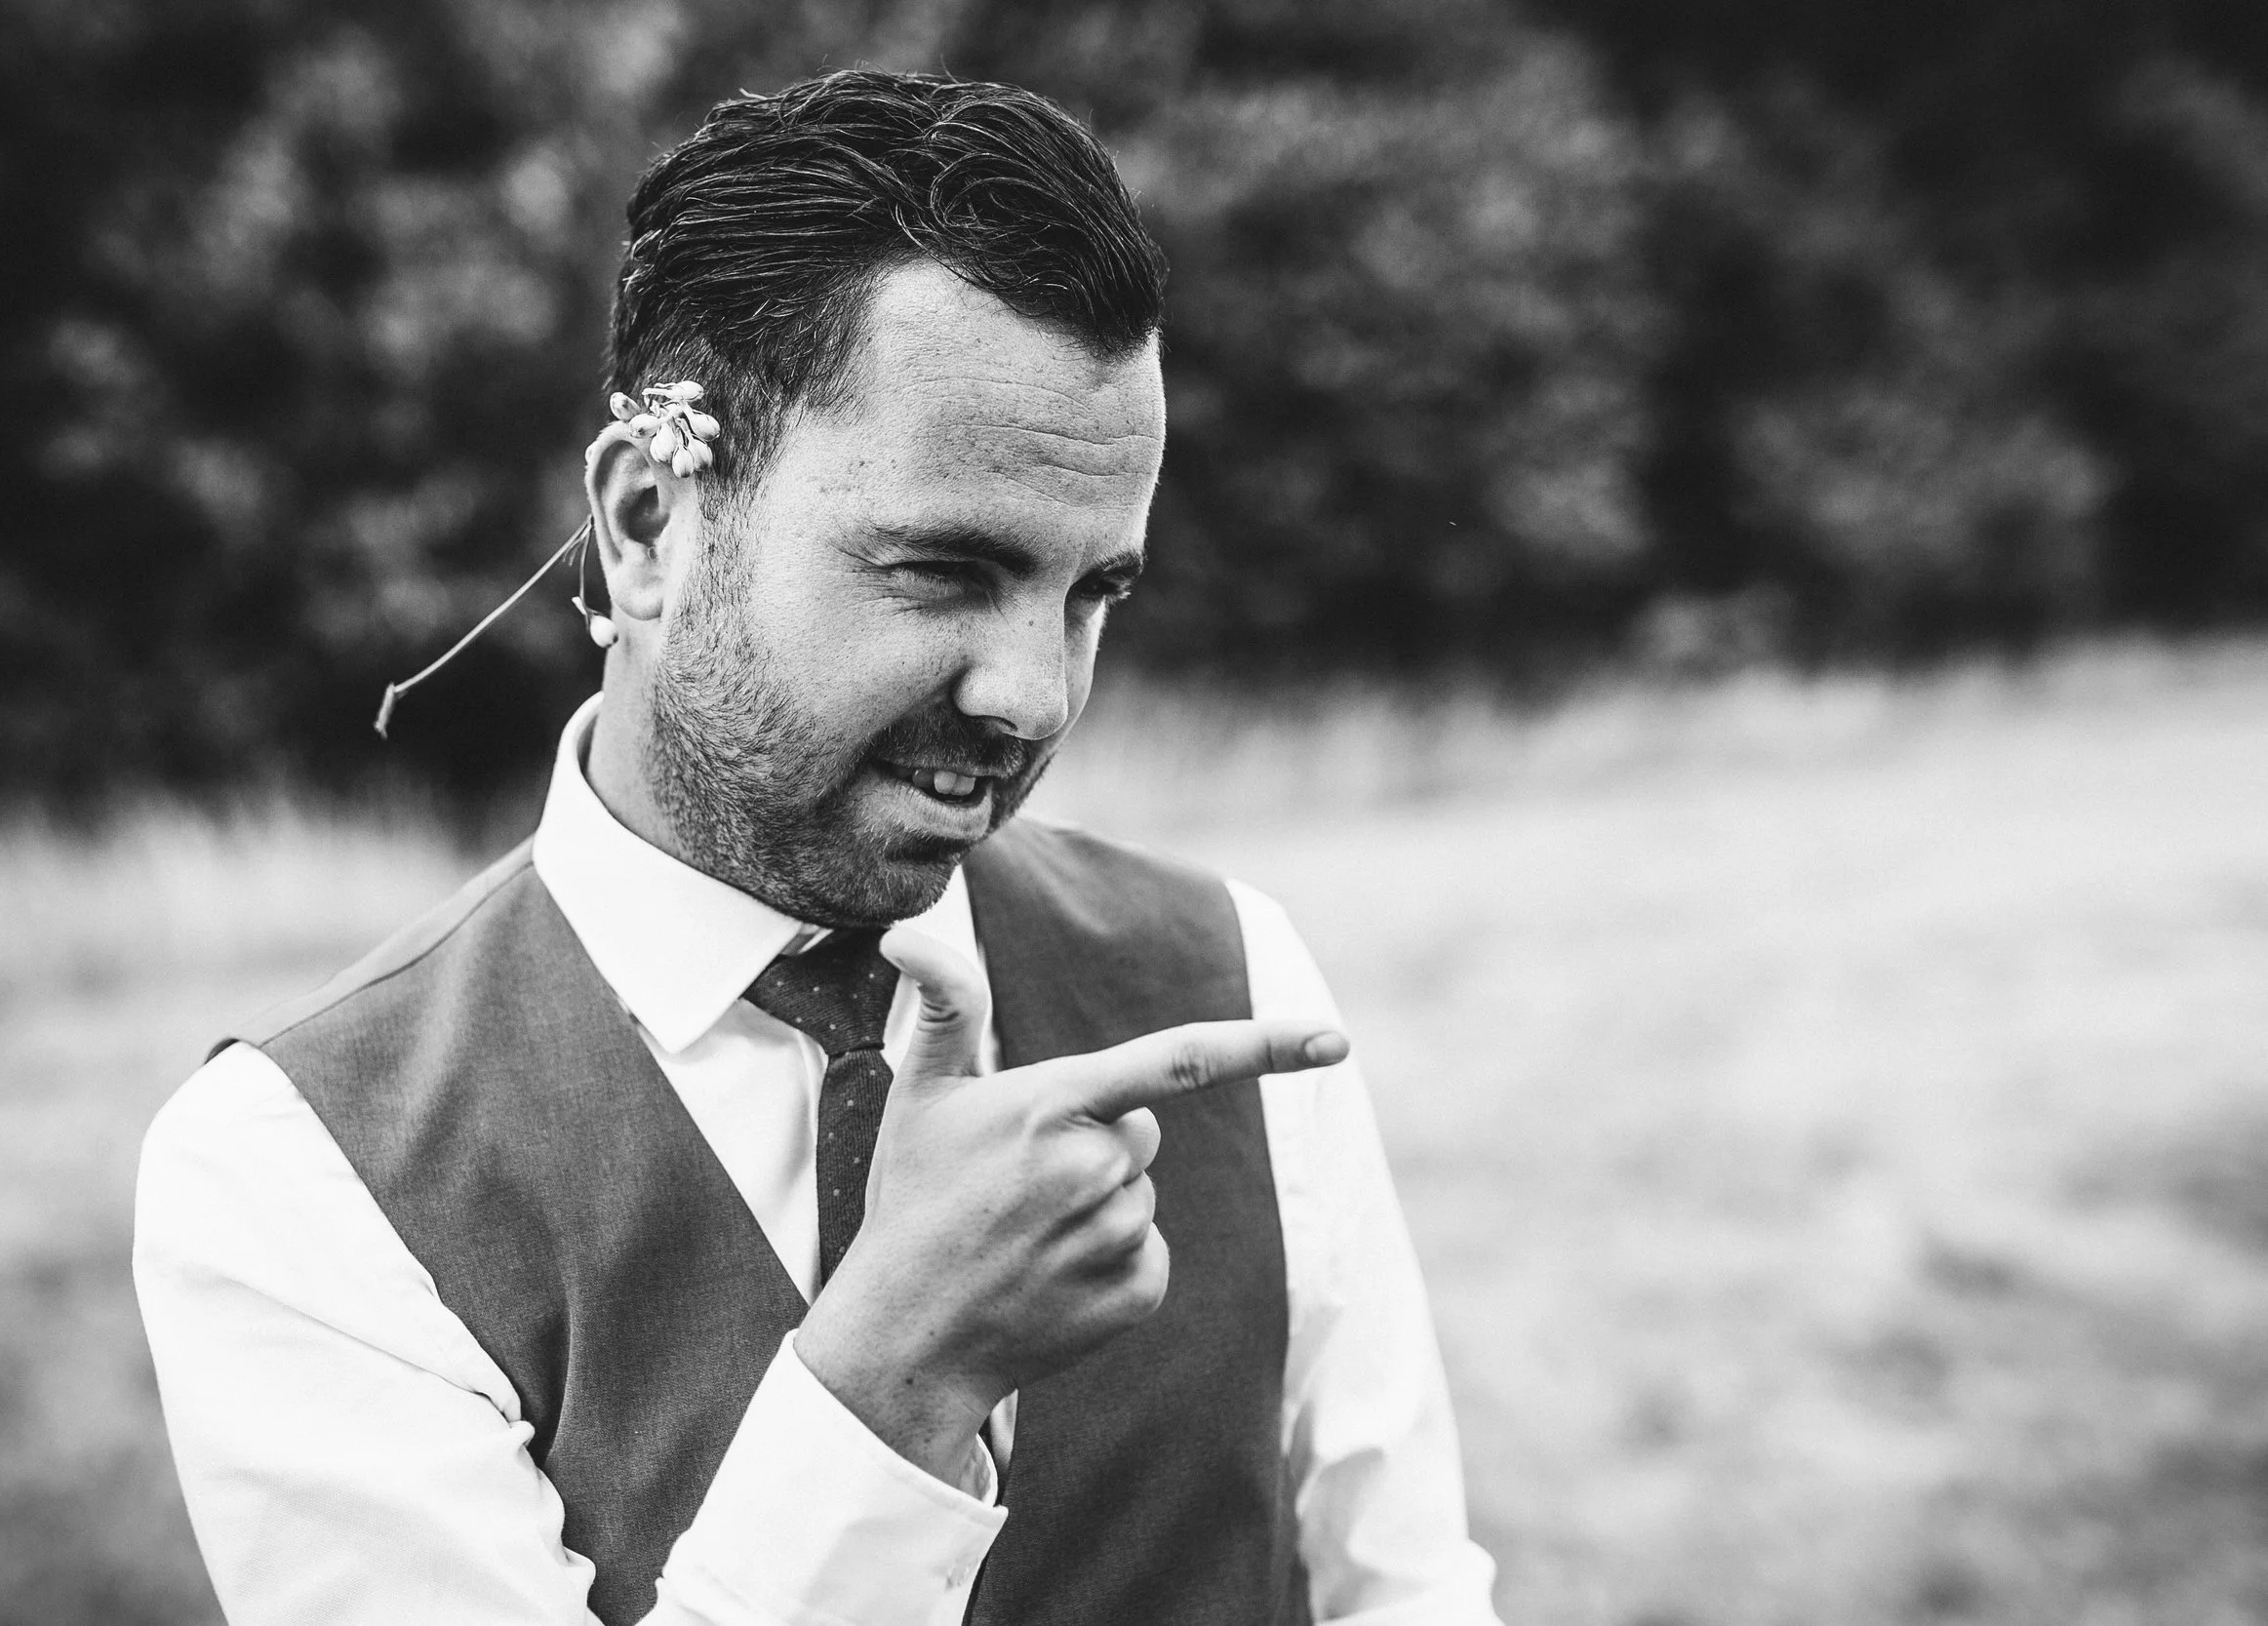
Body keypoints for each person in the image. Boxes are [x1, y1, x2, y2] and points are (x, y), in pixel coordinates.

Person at [133, 68, 1501, 1626]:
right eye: (941, 570)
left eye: (1091, 594)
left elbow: (1409, 1594)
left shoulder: (1228, 972)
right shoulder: (297, 1169)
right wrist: (891, 1386)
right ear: (649, 524)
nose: (1033, 695)